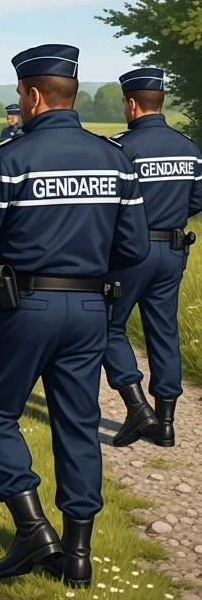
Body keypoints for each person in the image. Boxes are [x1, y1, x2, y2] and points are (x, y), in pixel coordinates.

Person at [0, 45, 149, 590]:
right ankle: (77, 555)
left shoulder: (8, 159)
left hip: (25, 306)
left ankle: (30, 527)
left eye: (21, 96)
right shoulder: (116, 160)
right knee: (77, 422)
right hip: (90, 307)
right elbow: (135, 247)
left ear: (34, 94)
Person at [103, 67, 202, 449]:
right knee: (164, 332)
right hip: (173, 250)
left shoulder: (120, 149)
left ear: (130, 103)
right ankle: (165, 423)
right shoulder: (188, 148)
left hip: (130, 252)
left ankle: (135, 405)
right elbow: (196, 199)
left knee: (107, 325)